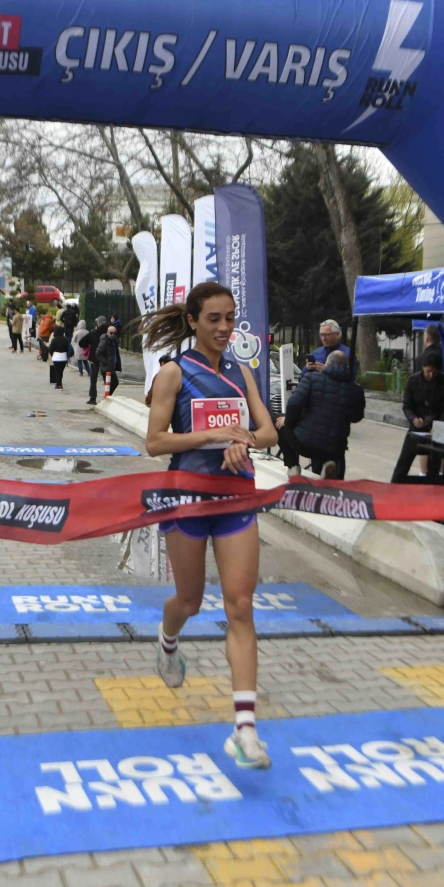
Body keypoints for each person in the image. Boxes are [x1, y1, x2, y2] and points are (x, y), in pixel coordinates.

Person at [143, 281, 278, 769]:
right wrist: (211, 435)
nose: (224, 328)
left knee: (240, 606)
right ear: (193, 321)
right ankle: (168, 641)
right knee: (190, 601)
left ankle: (245, 730)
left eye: (230, 318)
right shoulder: (174, 373)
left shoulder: (242, 371)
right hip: (186, 498)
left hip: (236, 496)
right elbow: (155, 442)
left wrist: (244, 441)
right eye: (214, 319)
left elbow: (268, 430)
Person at [276, 350, 364, 479]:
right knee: (336, 452)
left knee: (276, 420)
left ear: (326, 364)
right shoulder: (356, 390)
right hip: (335, 449)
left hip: (304, 443)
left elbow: (294, 404)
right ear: (347, 367)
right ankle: (330, 466)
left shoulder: (312, 378)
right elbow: (357, 417)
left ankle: (293, 466)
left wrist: (288, 421)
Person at [391, 354, 444, 483]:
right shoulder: (413, 380)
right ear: (423, 368)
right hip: (417, 428)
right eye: (428, 371)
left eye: (435, 372)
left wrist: (438, 427)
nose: (431, 375)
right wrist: (413, 418)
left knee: (434, 467)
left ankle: (431, 487)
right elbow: (407, 406)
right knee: (403, 463)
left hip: (438, 428)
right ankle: (395, 485)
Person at [95, 323, 121, 399]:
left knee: (113, 383)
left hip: (111, 366)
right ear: (107, 332)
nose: (113, 335)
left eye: (114, 333)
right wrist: (105, 362)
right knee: (112, 383)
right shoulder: (104, 341)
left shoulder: (114, 341)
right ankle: (106, 397)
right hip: (106, 367)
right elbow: (98, 353)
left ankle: (107, 397)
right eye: (111, 333)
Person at [48, 321, 71, 390]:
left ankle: (59, 384)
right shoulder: (66, 339)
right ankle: (59, 383)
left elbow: (51, 349)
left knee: (57, 371)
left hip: (56, 357)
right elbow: (68, 348)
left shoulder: (54, 339)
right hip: (64, 357)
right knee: (61, 371)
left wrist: (52, 354)